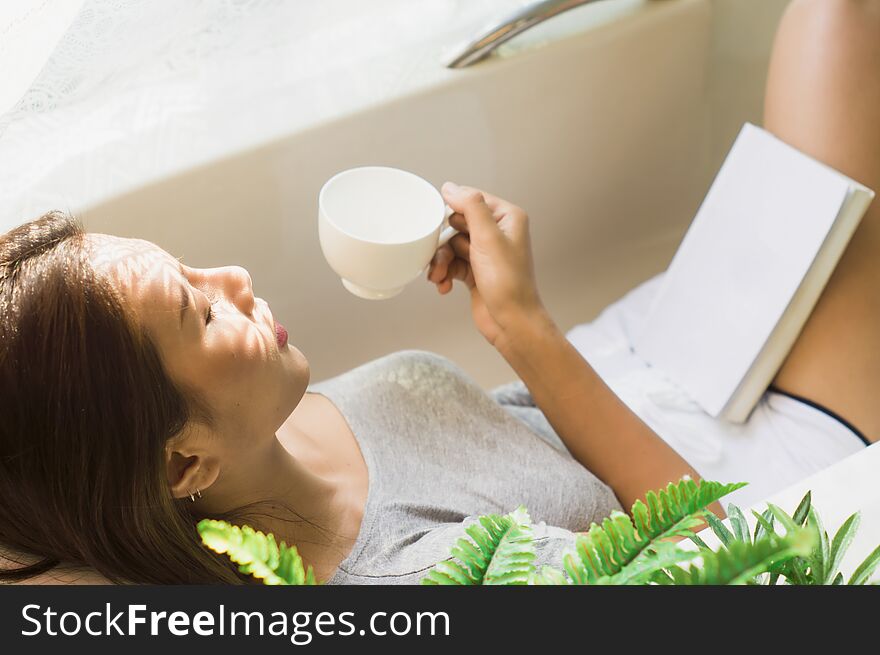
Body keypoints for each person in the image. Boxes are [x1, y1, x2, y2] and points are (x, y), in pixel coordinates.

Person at [1, 0, 877, 585]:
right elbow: (750, 566)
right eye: (200, 310)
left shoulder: (229, 442)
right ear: (185, 462)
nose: (232, 278)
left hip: (634, 365)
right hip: (766, 469)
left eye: (190, 267)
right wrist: (522, 327)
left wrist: (525, 329)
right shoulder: (419, 572)